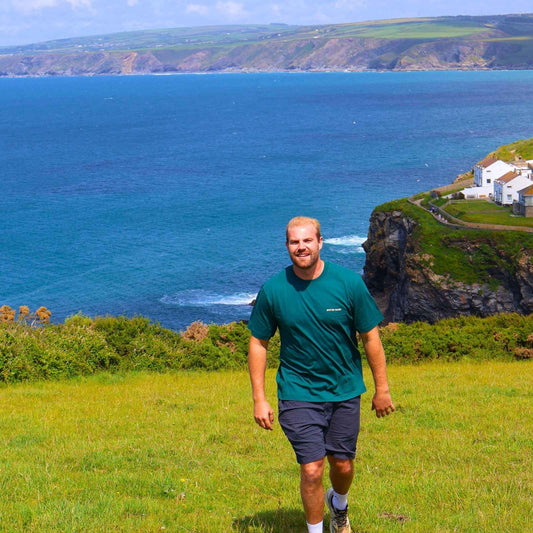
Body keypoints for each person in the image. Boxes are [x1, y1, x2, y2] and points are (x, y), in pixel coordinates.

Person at [247, 216, 395, 533]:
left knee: (342, 465)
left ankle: (339, 505)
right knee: (312, 469)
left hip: (344, 390)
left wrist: (382, 389)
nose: (301, 247)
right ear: (287, 246)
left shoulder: (348, 284)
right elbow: (258, 342)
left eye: (307, 240)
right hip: (297, 392)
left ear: (320, 242)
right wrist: (259, 399)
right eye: (294, 242)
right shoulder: (273, 290)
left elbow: (371, 337)